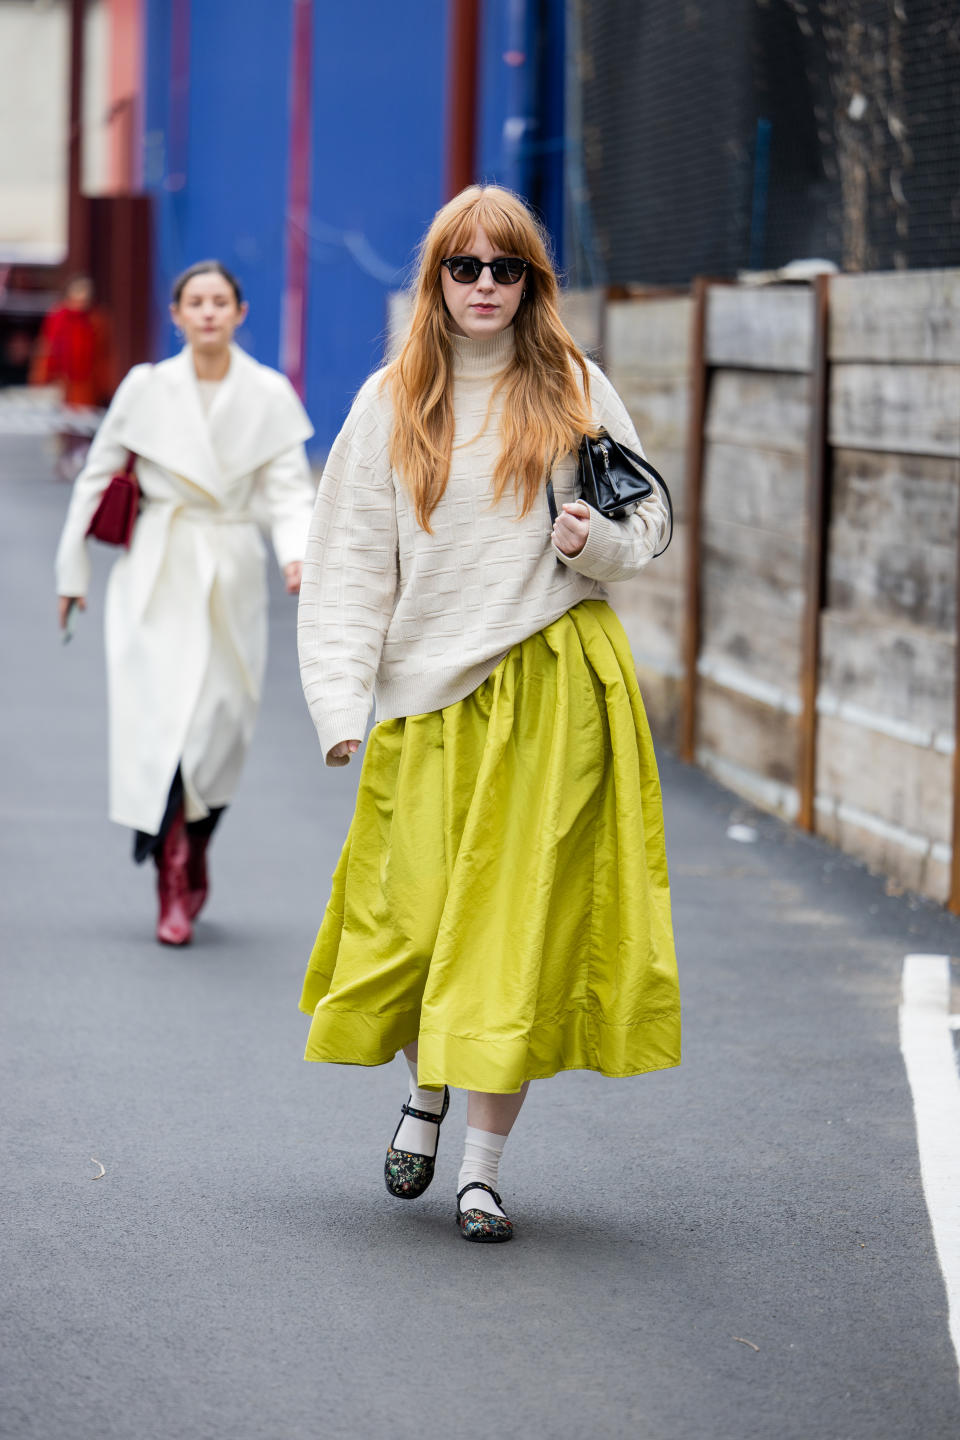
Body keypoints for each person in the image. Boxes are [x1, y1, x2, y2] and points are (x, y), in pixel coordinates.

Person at [297, 185, 680, 1244]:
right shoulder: (393, 398)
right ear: (435, 280)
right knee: (414, 924)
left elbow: (646, 523)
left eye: (503, 269)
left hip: (555, 687)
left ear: (531, 282)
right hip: (429, 696)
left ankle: (483, 1170)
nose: (482, 286)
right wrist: (340, 700)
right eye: (462, 268)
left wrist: (588, 546)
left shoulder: (573, 384)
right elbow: (346, 563)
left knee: (513, 936)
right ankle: (425, 1096)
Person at [55, 260, 316, 946]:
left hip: (229, 567)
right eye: (194, 302)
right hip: (156, 568)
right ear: (175, 315)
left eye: (219, 301)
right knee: (161, 721)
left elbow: (288, 489)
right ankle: (171, 869)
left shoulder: (265, 393)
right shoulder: (146, 389)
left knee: (221, 725)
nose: (207, 312)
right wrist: (72, 571)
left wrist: (298, 553)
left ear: (239, 312)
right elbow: (101, 473)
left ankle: (196, 839)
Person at [31, 275, 114, 480]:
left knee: (85, 423)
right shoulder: (59, 317)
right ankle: (65, 459)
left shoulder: (96, 319)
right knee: (63, 423)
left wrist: (104, 382)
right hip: (64, 380)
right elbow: (49, 346)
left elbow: (103, 353)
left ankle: (80, 459)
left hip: (86, 380)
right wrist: (44, 376)